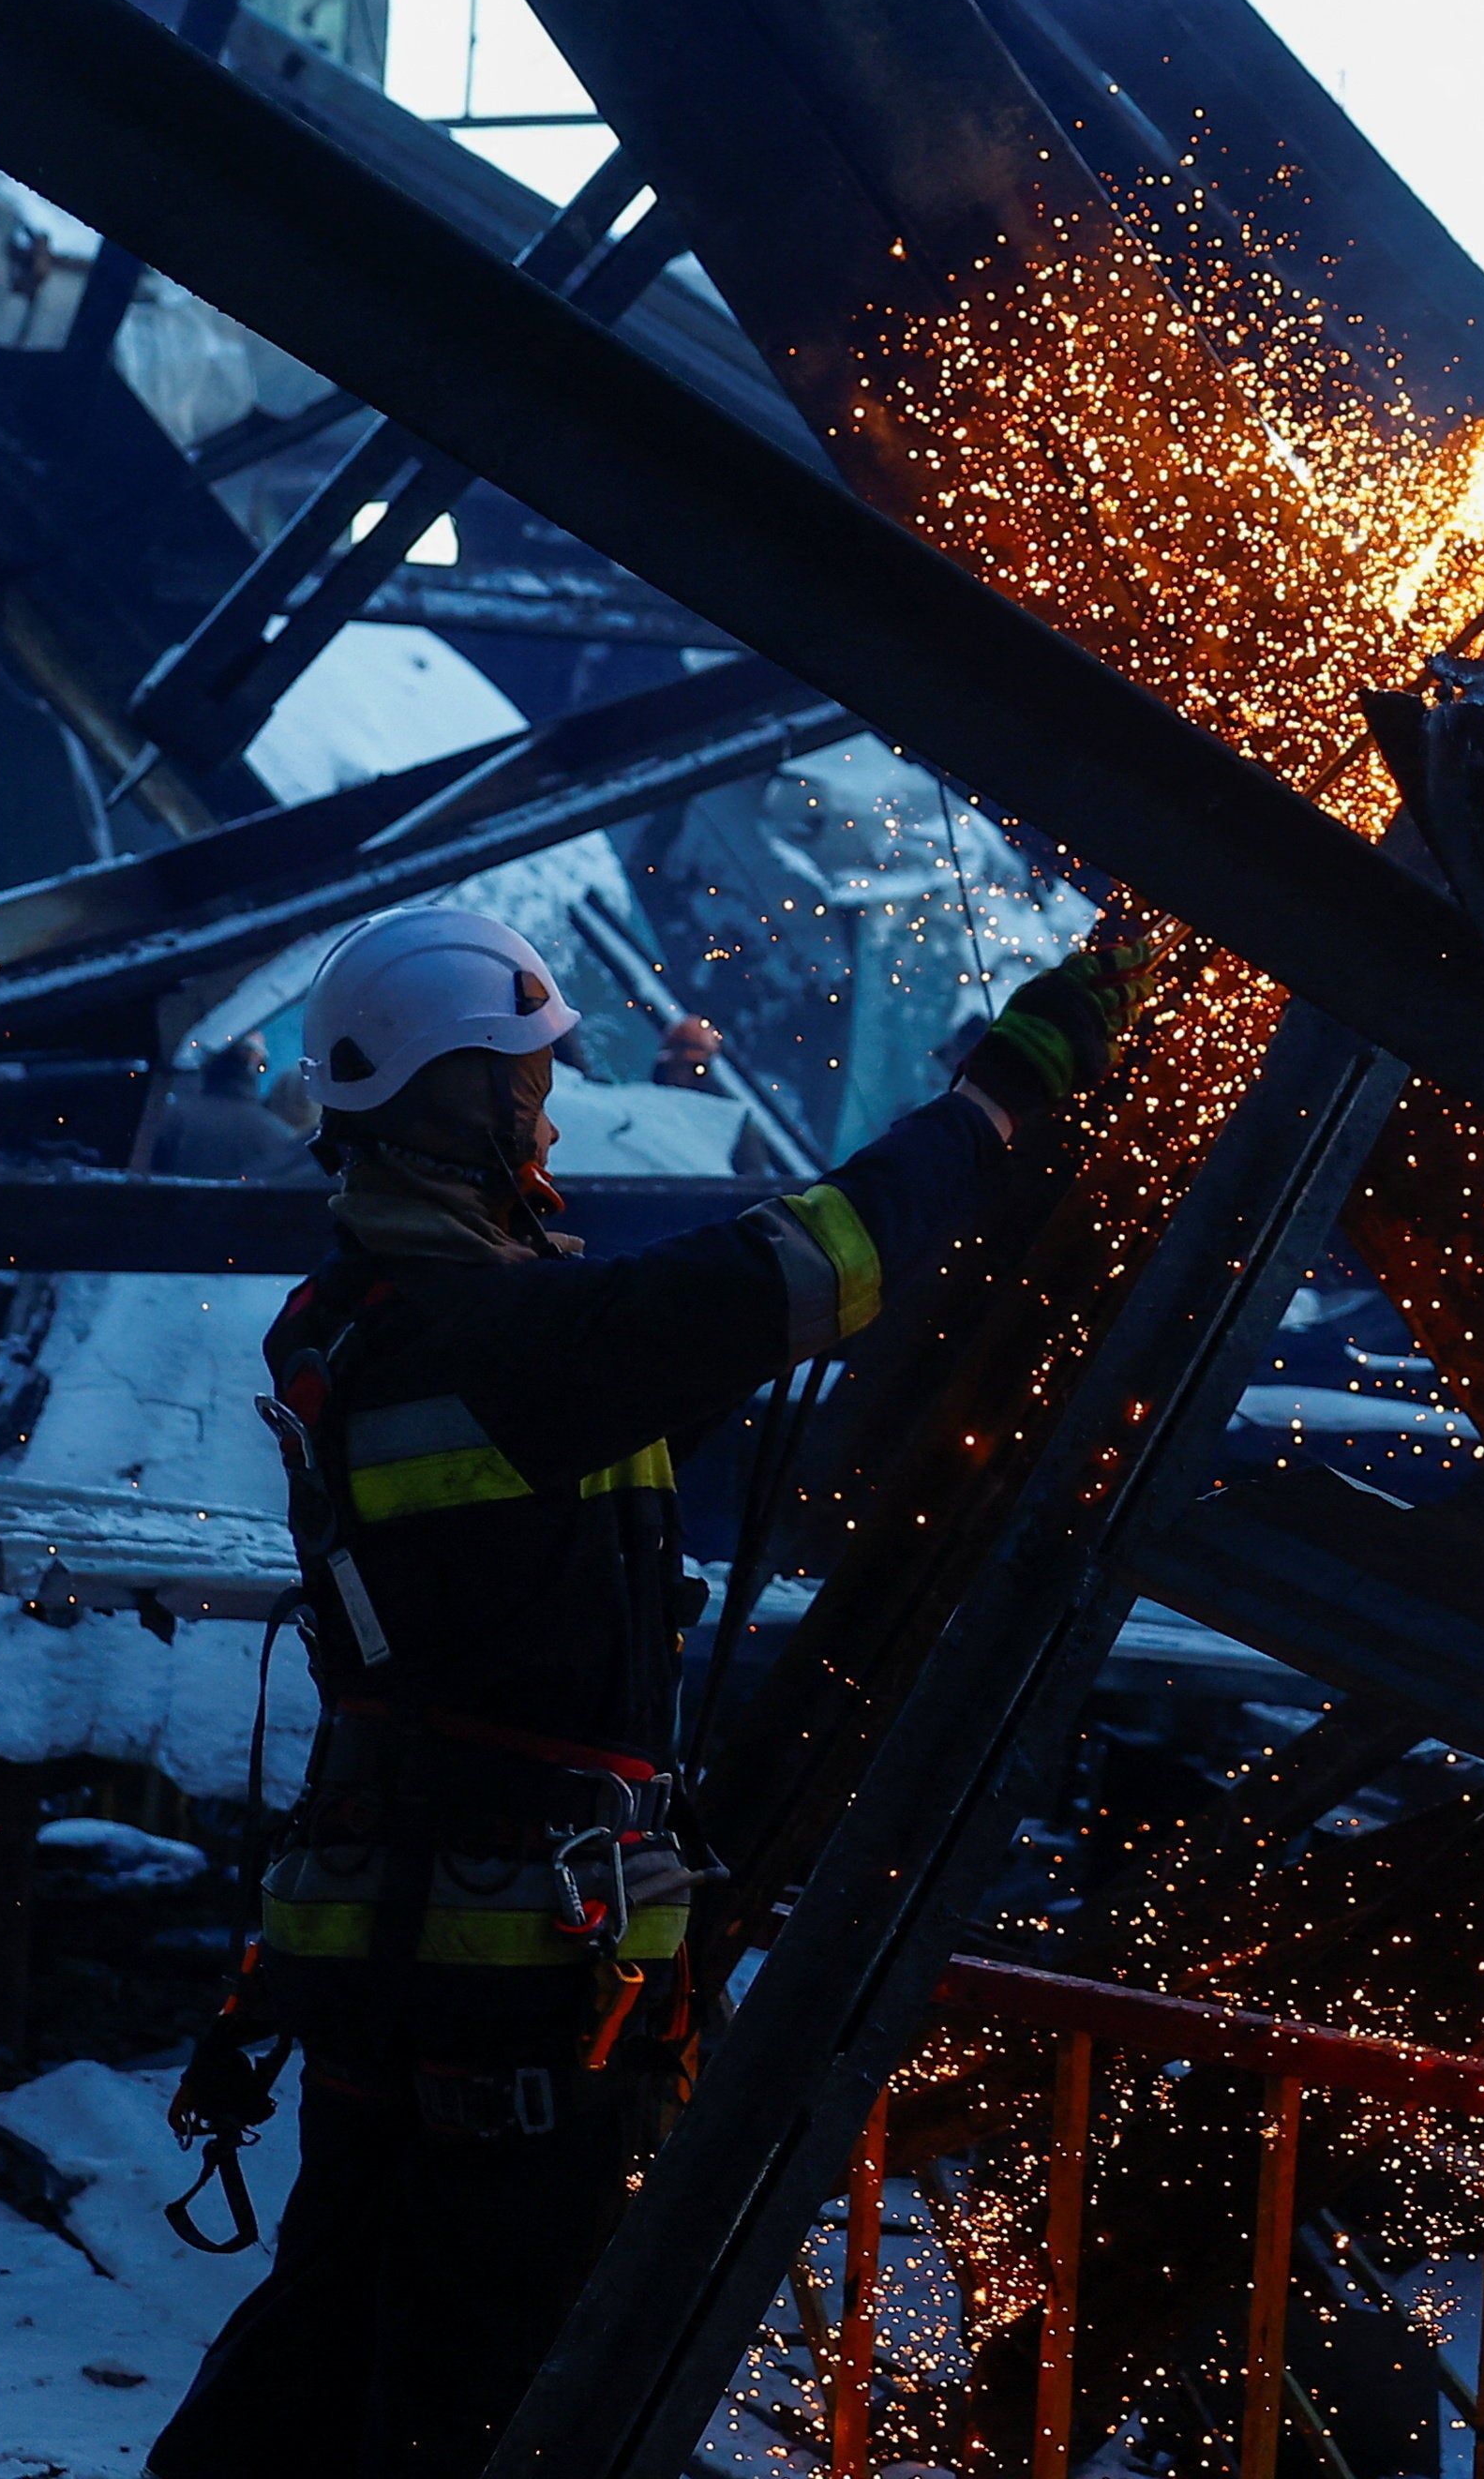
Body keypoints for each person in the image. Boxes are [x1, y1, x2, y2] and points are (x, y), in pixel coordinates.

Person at [154, 903, 1162, 2479]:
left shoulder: (384, 1331)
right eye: (526, 1082)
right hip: (506, 1989)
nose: (548, 1112)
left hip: (406, 1956)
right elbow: (807, 1267)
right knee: (486, 2399)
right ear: (454, 1099)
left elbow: (650, 1382)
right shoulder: (496, 1343)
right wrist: (999, 1093)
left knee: (328, 2345)